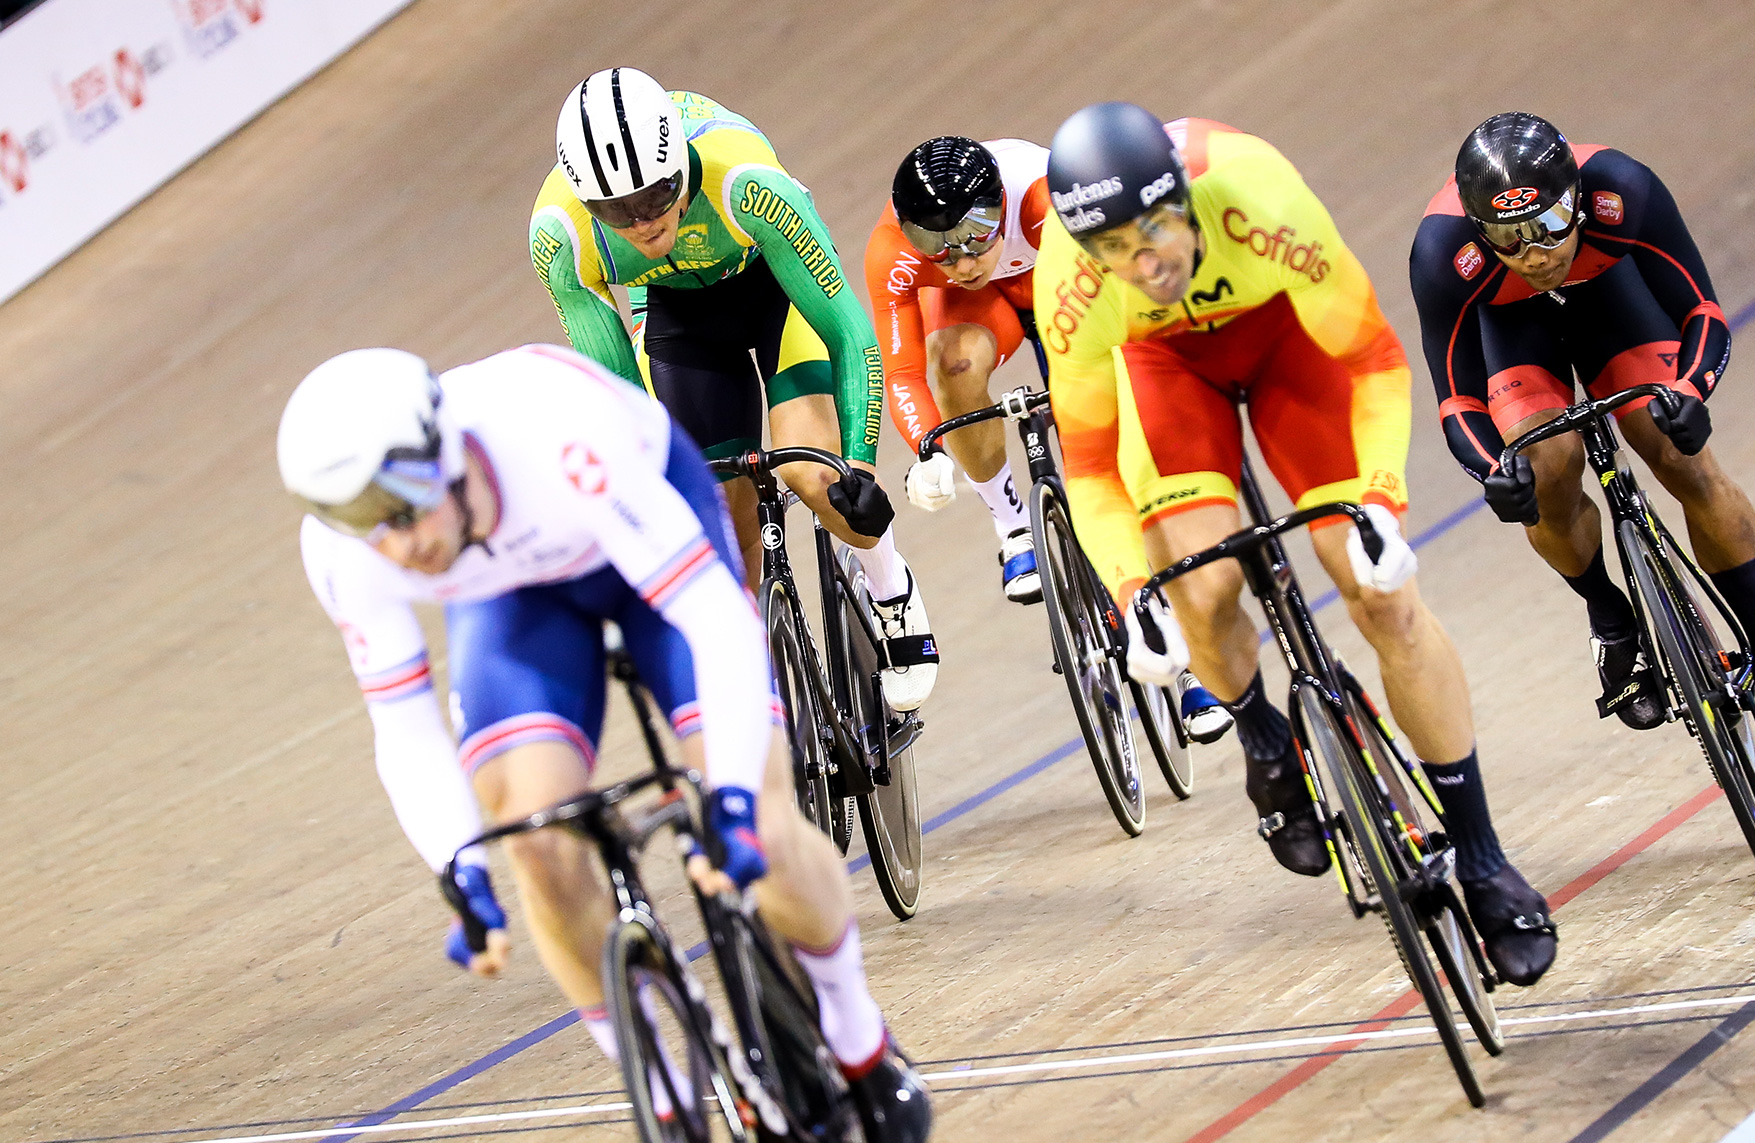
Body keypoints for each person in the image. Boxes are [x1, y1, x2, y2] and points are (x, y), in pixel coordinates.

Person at [277, 343, 932, 1143]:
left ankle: (859, 1042)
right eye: (365, 526)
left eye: (401, 513)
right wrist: (457, 868)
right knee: (535, 845)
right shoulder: (346, 551)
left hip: (646, 544)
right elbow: (401, 724)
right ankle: (665, 1102)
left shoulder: (556, 438)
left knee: (761, 825)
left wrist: (729, 799)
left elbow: (711, 619)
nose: (394, 548)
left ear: (442, 460)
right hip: (513, 604)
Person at [1034, 103, 1557, 986]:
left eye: (1157, 231)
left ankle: (1482, 856)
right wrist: (1132, 599)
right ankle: (1264, 736)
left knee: (1382, 595)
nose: (1146, 262)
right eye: (1117, 249)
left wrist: (1382, 504)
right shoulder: (1073, 284)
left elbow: (1373, 360)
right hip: (1169, 375)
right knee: (1201, 588)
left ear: (1185, 199)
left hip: (1288, 347)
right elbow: (1087, 464)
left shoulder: (1256, 194)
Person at [1409, 112, 1755, 746]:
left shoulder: (1622, 188)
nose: (1537, 255)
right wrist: (1495, 471)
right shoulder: (1443, 255)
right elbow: (1455, 401)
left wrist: (1691, 392)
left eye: (1550, 226)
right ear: (1477, 232)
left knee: (1679, 454)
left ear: (1577, 200)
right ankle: (1610, 616)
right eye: (1510, 239)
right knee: (1544, 470)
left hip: (1612, 298)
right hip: (1512, 329)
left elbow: (1702, 312)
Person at [530, 68, 937, 713]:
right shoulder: (564, 234)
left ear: (681, 166)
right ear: (587, 203)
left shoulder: (746, 185)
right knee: (721, 513)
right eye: (616, 210)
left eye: (656, 195)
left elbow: (847, 330)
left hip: (774, 290)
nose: (640, 222)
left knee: (815, 477)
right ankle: (754, 688)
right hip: (680, 319)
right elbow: (616, 396)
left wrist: (858, 462)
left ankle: (890, 590)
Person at [870, 134, 1230, 741]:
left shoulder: (1045, 201)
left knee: (1107, 445)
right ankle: (1011, 522)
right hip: (977, 311)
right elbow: (901, 370)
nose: (961, 261)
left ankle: (1179, 643)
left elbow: (1122, 309)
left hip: (1059, 282)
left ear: (999, 209)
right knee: (954, 365)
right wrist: (927, 448)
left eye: (976, 235)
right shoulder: (896, 253)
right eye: (940, 249)